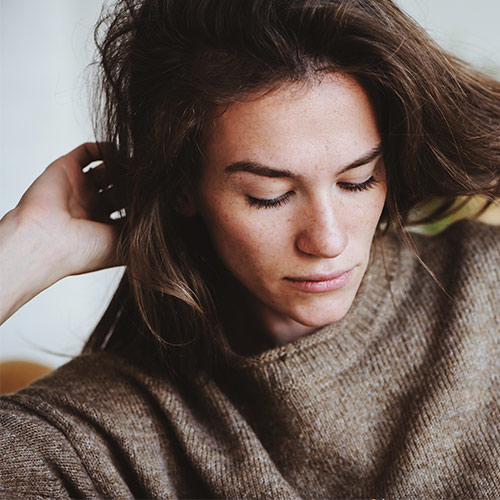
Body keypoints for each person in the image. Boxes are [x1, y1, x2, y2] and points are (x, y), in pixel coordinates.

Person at [1, 0, 499, 497]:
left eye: (358, 181)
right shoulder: (97, 438)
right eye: (270, 196)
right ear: (183, 187)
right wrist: (27, 249)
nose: (328, 239)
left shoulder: (485, 285)